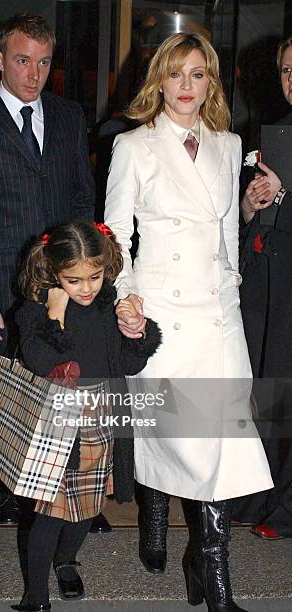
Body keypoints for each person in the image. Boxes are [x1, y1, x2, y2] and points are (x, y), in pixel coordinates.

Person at [104, 33, 273, 612]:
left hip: (217, 311)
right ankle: (157, 521)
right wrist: (125, 297)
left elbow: (225, 231)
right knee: (176, 434)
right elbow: (115, 236)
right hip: (164, 309)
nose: (186, 86)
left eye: (198, 75)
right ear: (159, 79)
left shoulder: (229, 144)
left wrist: (231, 285)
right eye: (176, 74)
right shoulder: (134, 145)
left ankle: (210, 570)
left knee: (220, 441)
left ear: (211, 82)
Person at [0, 14, 94, 525]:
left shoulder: (71, 116)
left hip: (66, 285)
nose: (34, 74)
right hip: (0, 288)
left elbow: (81, 200)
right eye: (23, 61)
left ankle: (75, 493)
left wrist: (86, 274)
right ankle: (12, 488)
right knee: (6, 392)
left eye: (44, 62)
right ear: (0, 60)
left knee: (72, 384)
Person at [14, 220, 161, 611]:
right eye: (73, 280)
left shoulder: (106, 303)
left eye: (94, 277)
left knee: (88, 507)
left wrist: (137, 330)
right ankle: (37, 598)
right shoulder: (37, 309)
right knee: (51, 513)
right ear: (53, 271)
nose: (86, 288)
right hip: (57, 422)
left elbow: (128, 364)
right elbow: (42, 359)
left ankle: (65, 561)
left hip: (102, 417)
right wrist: (54, 315)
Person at [233, 37, 292, 540]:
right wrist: (253, 204)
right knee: (266, 389)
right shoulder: (277, 131)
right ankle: (261, 496)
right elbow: (255, 215)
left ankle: (286, 509)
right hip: (269, 278)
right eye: (288, 70)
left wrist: (285, 193)